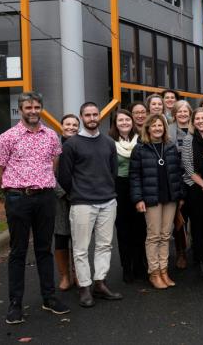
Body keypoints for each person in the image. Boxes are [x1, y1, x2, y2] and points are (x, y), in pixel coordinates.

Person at [0, 92, 70, 324]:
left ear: (41, 108)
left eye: (37, 107)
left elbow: (53, 165)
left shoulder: (52, 136)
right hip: (18, 199)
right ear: (21, 109)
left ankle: (49, 297)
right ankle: (15, 303)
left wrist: (41, 184)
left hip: (45, 198)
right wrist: (13, 190)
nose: (33, 111)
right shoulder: (7, 137)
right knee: (18, 251)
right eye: (28, 107)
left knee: (45, 249)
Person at [59, 102, 122, 307]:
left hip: (107, 200)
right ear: (82, 117)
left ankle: (100, 283)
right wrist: (77, 194)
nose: (92, 118)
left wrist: (108, 192)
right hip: (82, 202)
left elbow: (113, 172)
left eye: (95, 114)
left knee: (105, 245)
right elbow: (65, 177)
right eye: (88, 115)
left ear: (99, 117)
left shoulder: (108, 142)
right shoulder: (71, 145)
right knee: (81, 248)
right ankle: (84, 287)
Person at [130, 114, 184, 290]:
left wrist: (180, 195)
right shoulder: (140, 149)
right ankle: (154, 272)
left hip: (170, 197)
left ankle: (164, 271)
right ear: (148, 128)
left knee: (166, 235)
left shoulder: (170, 147)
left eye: (160, 125)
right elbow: (135, 176)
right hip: (151, 197)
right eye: (153, 126)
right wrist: (138, 199)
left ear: (164, 128)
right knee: (154, 236)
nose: (157, 128)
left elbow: (178, 173)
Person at [108, 109, 147, 283]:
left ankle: (140, 265)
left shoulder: (141, 139)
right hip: (119, 187)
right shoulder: (109, 142)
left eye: (127, 120)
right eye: (120, 120)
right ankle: (127, 267)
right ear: (115, 124)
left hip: (139, 186)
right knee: (123, 230)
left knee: (140, 228)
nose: (124, 123)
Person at [181, 108, 203, 279]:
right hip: (195, 187)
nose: (200, 121)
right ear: (193, 122)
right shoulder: (188, 139)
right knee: (198, 225)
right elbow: (187, 166)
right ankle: (201, 260)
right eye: (197, 118)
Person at [54, 114, 80, 291]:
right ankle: (65, 276)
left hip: (80, 198)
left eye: (74, 125)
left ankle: (78, 272)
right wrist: (62, 193)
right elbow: (46, 171)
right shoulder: (53, 145)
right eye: (67, 124)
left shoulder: (82, 144)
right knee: (61, 237)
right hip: (59, 199)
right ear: (61, 126)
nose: (71, 127)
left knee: (80, 239)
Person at [167, 100, 192, 269]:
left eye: (186, 111)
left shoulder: (196, 128)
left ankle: (198, 250)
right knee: (179, 220)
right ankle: (181, 252)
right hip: (176, 179)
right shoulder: (168, 132)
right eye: (179, 112)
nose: (183, 114)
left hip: (195, 180)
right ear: (174, 114)